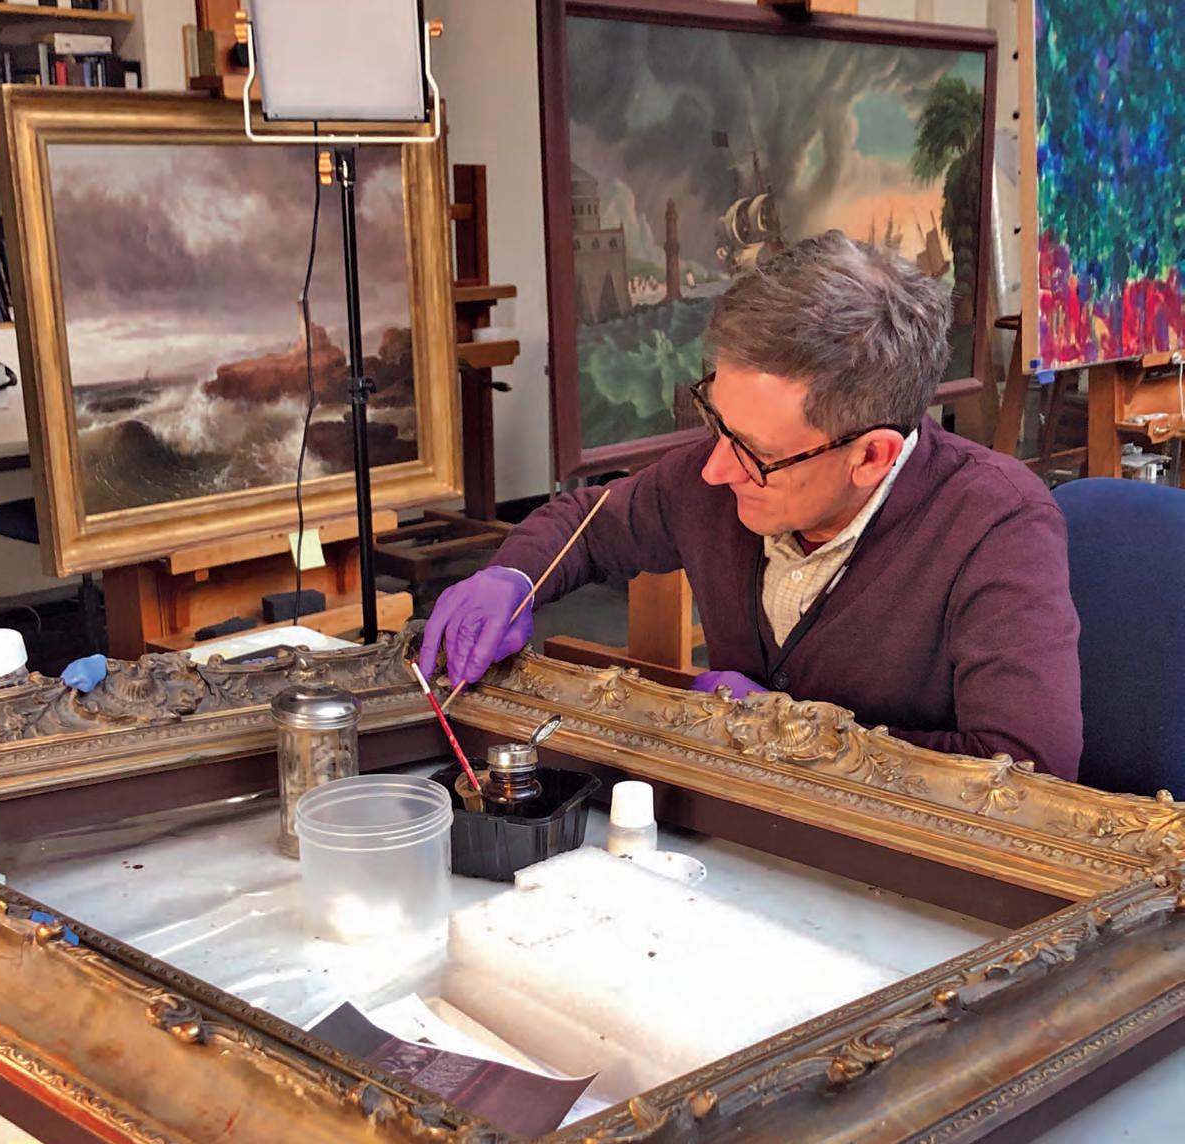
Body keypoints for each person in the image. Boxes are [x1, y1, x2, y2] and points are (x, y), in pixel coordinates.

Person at [420, 230, 1083, 780]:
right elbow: (587, 528)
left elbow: (1027, 771)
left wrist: (795, 737)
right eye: (718, 422)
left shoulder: (995, 525)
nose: (715, 469)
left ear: (871, 457)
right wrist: (513, 576)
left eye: (758, 455)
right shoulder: (718, 474)